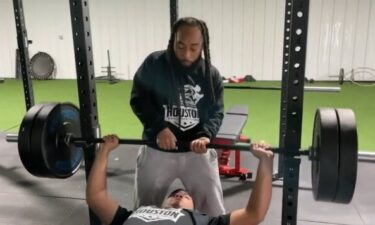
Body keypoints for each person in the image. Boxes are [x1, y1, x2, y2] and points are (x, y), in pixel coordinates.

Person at [130, 17, 225, 216]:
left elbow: (216, 111)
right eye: (180, 46)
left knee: (214, 211)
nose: (187, 54)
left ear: (203, 45)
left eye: (194, 47)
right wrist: (159, 128)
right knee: (143, 211)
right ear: (173, 40)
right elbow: (139, 99)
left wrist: (205, 135)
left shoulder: (211, 74)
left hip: (196, 153)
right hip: (158, 150)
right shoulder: (154, 64)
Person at [86, 135, 274, 225]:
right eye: (182, 194)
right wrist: (104, 151)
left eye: (182, 194)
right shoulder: (204, 221)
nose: (180, 193)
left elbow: (254, 214)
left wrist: (265, 162)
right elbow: (96, 197)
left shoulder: (205, 221)